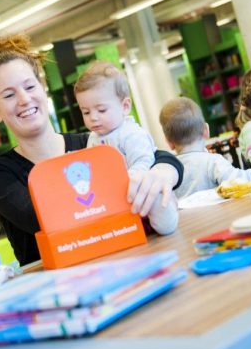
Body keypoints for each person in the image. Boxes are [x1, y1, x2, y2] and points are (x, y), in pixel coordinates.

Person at [0, 33, 183, 266]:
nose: (24, 99)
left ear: (43, 89)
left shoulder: (89, 143)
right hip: (59, 285)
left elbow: (152, 155)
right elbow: (45, 219)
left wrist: (163, 171)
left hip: (121, 261)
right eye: (9, 95)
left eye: (30, 87)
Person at [74, 61, 177, 234]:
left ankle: (166, 222)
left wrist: (127, 180)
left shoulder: (131, 133)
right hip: (114, 198)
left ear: (125, 106)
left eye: (101, 110)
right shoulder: (93, 138)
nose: (93, 118)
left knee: (157, 201)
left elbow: (144, 161)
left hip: (141, 190)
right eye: (86, 112)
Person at [159, 97, 251, 199]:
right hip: (215, 215)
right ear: (206, 131)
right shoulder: (213, 161)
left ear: (169, 142)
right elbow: (236, 179)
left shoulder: (168, 169)